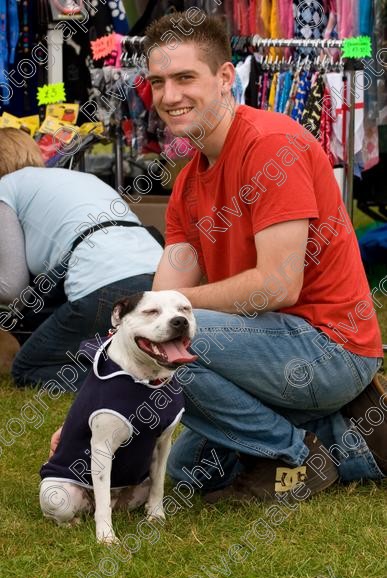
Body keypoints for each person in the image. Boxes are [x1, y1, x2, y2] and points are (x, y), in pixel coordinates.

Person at [144, 11, 386, 500]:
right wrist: (87, 423)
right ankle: (353, 436)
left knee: (161, 342)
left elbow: (277, 285)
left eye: (185, 77)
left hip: (329, 345)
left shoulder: (270, 146)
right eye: (157, 82)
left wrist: (168, 313)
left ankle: (296, 454)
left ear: (226, 77)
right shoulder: (188, 183)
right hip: (266, 346)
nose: (169, 96)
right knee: (190, 470)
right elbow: (158, 301)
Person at [0, 128, 163, 390]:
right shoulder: (79, 178)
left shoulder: (5, 188)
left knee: (28, 368)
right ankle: (136, 366)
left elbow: (11, 287)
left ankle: (131, 384)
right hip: (159, 276)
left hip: (104, 285)